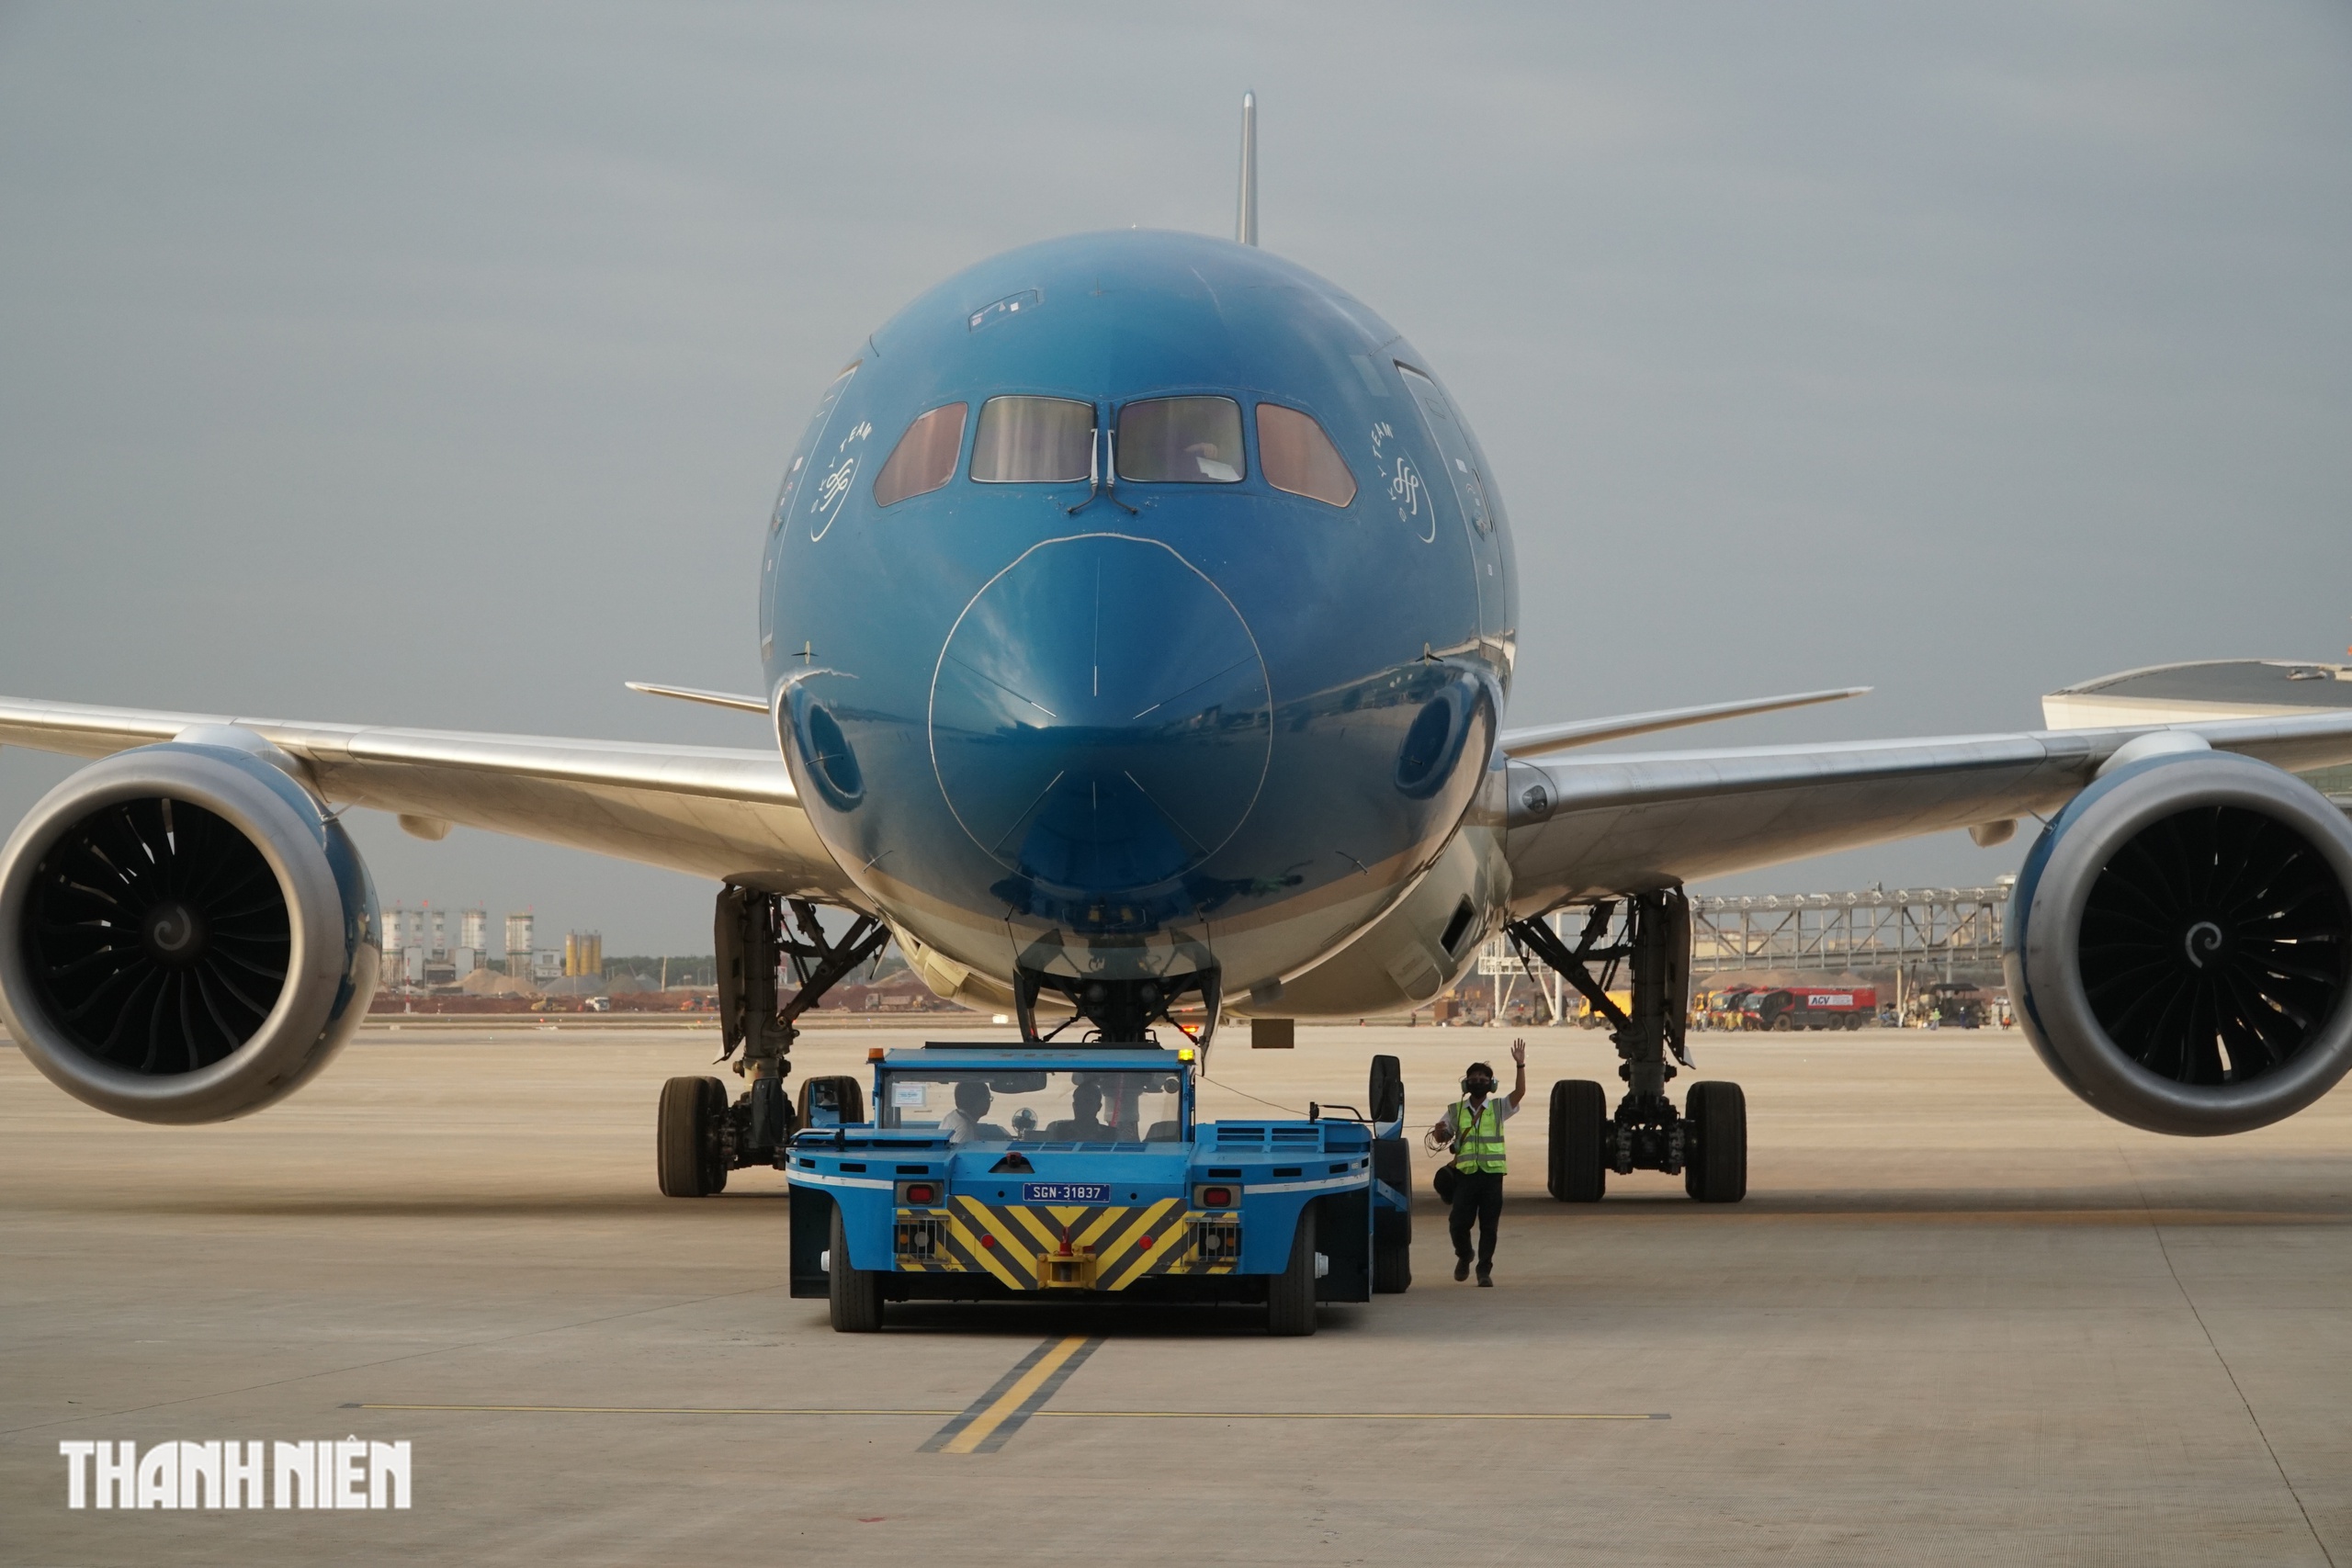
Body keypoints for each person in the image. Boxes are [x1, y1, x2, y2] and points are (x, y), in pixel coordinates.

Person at [1430, 1038, 1526, 1286]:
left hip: (1492, 1176)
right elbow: (1441, 1137)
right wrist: (1439, 1131)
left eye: (1484, 1078)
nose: (1479, 1081)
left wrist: (1520, 1066)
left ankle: (1484, 1271)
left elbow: (1519, 1093)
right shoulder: (1455, 1110)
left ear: (1491, 1084)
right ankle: (1465, 1255)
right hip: (1466, 1175)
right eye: (1474, 1078)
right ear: (1466, 1083)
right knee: (1458, 1223)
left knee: (1489, 1227)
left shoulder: (1498, 1108)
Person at [938, 1079, 1007, 1144]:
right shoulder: (964, 1129)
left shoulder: (952, 1117)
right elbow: (962, 1155)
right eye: (987, 1099)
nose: (989, 1103)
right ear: (976, 1102)